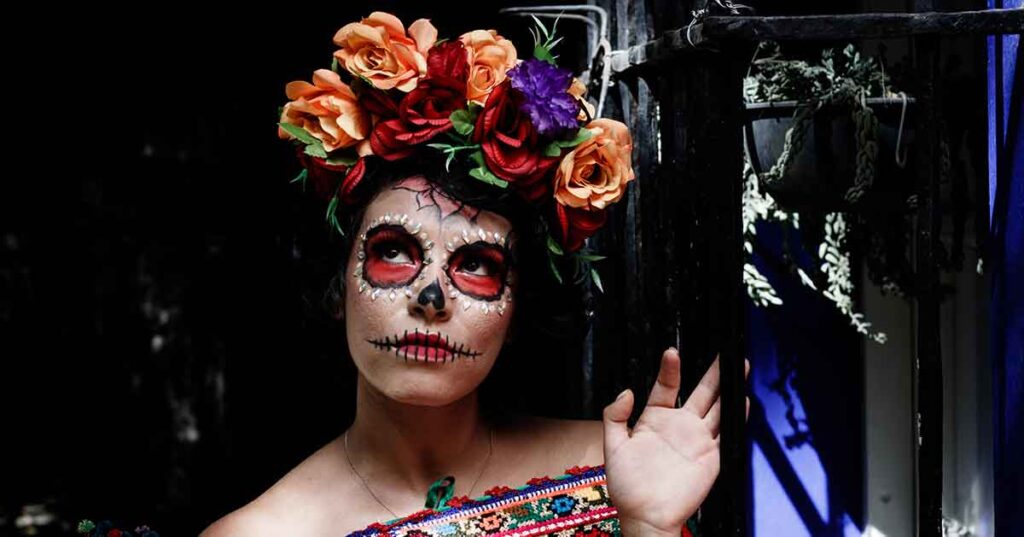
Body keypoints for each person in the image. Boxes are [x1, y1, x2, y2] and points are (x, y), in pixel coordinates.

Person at [203, 12, 748, 537]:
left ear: (517, 312)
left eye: (478, 265)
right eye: (393, 252)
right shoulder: (259, 531)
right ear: (337, 286)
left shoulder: (620, 470)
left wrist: (648, 528)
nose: (431, 297)